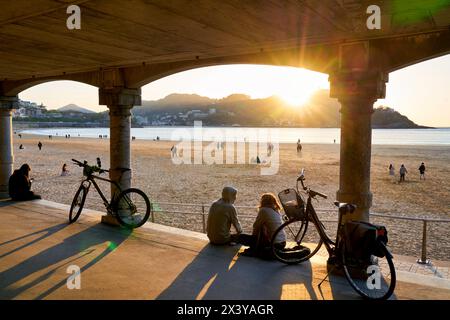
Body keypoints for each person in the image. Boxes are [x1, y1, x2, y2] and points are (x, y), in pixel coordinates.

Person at [237, 193, 287, 258]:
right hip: (283, 242)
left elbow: (256, 226)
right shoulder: (276, 210)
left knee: (241, 237)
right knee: (263, 227)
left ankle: (255, 248)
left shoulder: (263, 210)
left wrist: (254, 241)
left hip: (274, 244)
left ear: (263, 201)